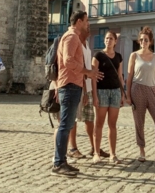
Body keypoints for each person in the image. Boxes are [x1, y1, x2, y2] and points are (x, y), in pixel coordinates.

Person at [51, 11, 102, 177]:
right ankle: (59, 163)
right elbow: (68, 61)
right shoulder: (72, 37)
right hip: (70, 85)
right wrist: (87, 72)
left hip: (73, 85)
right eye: (86, 21)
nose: (88, 24)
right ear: (79, 21)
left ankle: (62, 160)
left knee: (67, 125)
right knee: (65, 125)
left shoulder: (72, 37)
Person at [126, 26, 155, 163]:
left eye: (146, 40)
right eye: (141, 40)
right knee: (139, 122)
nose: (143, 42)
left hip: (153, 89)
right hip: (137, 89)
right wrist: (128, 95)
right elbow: (130, 76)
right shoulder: (134, 55)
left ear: (150, 42)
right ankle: (141, 151)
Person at [92, 30, 125, 163]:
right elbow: (93, 78)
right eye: (106, 38)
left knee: (112, 124)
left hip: (115, 92)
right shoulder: (98, 55)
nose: (108, 40)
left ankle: (112, 154)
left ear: (115, 41)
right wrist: (95, 96)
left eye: (111, 38)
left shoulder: (118, 57)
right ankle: (96, 153)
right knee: (99, 123)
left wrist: (122, 94)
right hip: (102, 92)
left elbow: (120, 76)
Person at [68, 35, 96, 160]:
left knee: (89, 118)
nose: (88, 26)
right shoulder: (76, 42)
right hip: (80, 85)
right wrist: (84, 91)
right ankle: (73, 148)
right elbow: (80, 67)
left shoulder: (86, 42)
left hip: (88, 86)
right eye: (86, 23)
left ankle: (94, 146)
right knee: (73, 118)